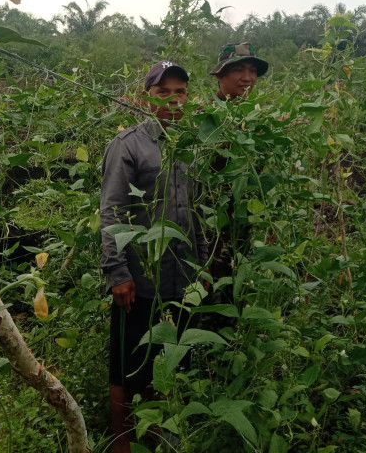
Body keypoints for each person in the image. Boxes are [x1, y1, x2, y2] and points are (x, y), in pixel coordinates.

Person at [100, 60, 208, 453]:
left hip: (180, 275)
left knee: (168, 358)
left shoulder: (192, 143)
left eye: (180, 92)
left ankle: (161, 433)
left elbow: (194, 212)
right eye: (164, 93)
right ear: (147, 98)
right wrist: (117, 272)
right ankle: (122, 441)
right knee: (128, 362)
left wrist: (201, 265)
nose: (174, 100)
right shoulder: (128, 145)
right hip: (139, 277)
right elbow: (112, 212)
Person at [205, 43, 269, 310]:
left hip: (241, 227)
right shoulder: (205, 116)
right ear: (220, 75)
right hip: (210, 232)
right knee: (210, 297)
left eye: (252, 70)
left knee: (235, 296)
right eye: (239, 70)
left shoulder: (256, 118)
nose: (248, 77)